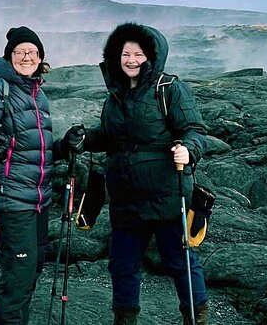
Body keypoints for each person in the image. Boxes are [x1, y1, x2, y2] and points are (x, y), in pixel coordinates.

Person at [64, 22, 209, 325]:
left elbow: (194, 130)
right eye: (125, 53)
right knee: (122, 265)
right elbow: (110, 137)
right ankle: (125, 320)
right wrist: (86, 139)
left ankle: (196, 318)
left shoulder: (169, 89)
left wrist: (189, 149)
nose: (131, 60)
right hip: (125, 198)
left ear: (152, 57)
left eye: (138, 54)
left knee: (181, 261)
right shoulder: (115, 96)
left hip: (167, 196)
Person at [0, 26, 70, 325]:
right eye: (20, 52)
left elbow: (38, 148)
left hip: (39, 200)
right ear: (9, 56)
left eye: (33, 52)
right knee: (19, 277)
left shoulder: (38, 93)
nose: (27, 57)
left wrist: (65, 146)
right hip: (12, 199)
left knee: (30, 271)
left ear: (41, 58)